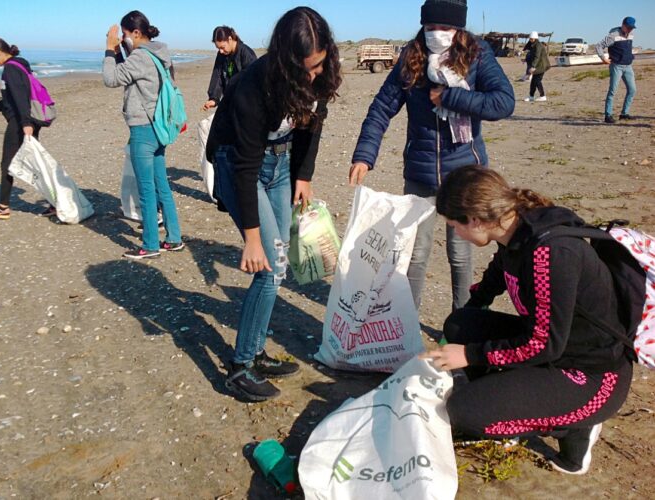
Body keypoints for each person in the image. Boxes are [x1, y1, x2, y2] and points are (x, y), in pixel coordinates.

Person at [426, 165, 633, 475]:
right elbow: (495, 277)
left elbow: (543, 345)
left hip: (594, 377)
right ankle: (510, 399)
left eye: (455, 225)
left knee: (461, 411)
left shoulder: (550, 253)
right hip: (560, 349)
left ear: (475, 220)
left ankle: (576, 428)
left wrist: (468, 354)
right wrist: (463, 326)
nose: (455, 233)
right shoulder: (516, 227)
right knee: (460, 324)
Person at [206, 7, 341, 401]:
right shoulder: (252, 86)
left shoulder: (321, 73)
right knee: (267, 266)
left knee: (279, 266)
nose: (315, 75)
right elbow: (245, 168)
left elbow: (313, 125)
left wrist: (303, 175)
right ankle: (240, 366)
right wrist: (251, 238)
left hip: (281, 165)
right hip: (239, 163)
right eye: (308, 68)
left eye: (320, 65)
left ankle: (257, 349)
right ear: (286, 60)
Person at [350, 0, 515, 312]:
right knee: (415, 251)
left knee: (460, 252)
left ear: (459, 28)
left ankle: (461, 322)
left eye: (446, 27)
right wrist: (363, 155)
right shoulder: (411, 57)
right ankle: (406, 319)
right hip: (420, 174)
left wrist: (451, 96)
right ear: (423, 25)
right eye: (431, 27)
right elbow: (381, 109)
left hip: (465, 173)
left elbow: (503, 102)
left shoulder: (477, 54)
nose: (437, 33)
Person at [103, 10, 184, 259]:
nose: (124, 39)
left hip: (142, 129)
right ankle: (174, 238)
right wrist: (119, 52)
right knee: (161, 185)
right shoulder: (159, 53)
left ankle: (150, 244)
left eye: (126, 35)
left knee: (146, 190)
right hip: (159, 127)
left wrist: (108, 49)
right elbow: (132, 72)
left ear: (136, 33)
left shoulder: (140, 57)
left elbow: (111, 79)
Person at [0, 38, 51, 220]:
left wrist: (25, 124)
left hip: (20, 122)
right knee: (35, 164)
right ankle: (56, 202)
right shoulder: (20, 65)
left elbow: (19, 98)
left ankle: (3, 207)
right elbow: (11, 98)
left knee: (7, 164)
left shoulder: (10, 69)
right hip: (27, 120)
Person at [198, 26, 257, 202]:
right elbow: (217, 77)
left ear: (232, 39)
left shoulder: (247, 54)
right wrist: (214, 98)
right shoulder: (222, 56)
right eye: (218, 48)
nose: (221, 51)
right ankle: (223, 187)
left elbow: (256, 83)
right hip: (229, 105)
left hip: (245, 107)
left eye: (223, 47)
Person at [596, 16, 637, 124]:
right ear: (623, 25)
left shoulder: (631, 35)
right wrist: (603, 58)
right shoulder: (613, 35)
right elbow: (599, 45)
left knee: (632, 90)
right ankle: (608, 115)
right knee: (612, 91)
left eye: (631, 28)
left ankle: (624, 113)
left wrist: (631, 55)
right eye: (628, 27)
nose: (630, 29)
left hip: (628, 66)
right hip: (616, 66)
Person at [523, 31, 550, 102]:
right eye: (530, 38)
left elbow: (537, 57)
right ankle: (531, 96)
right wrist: (525, 60)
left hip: (542, 66)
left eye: (532, 39)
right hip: (537, 66)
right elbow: (531, 55)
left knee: (537, 81)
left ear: (535, 38)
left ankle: (543, 96)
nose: (530, 40)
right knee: (533, 82)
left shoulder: (538, 45)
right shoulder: (532, 45)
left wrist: (533, 66)